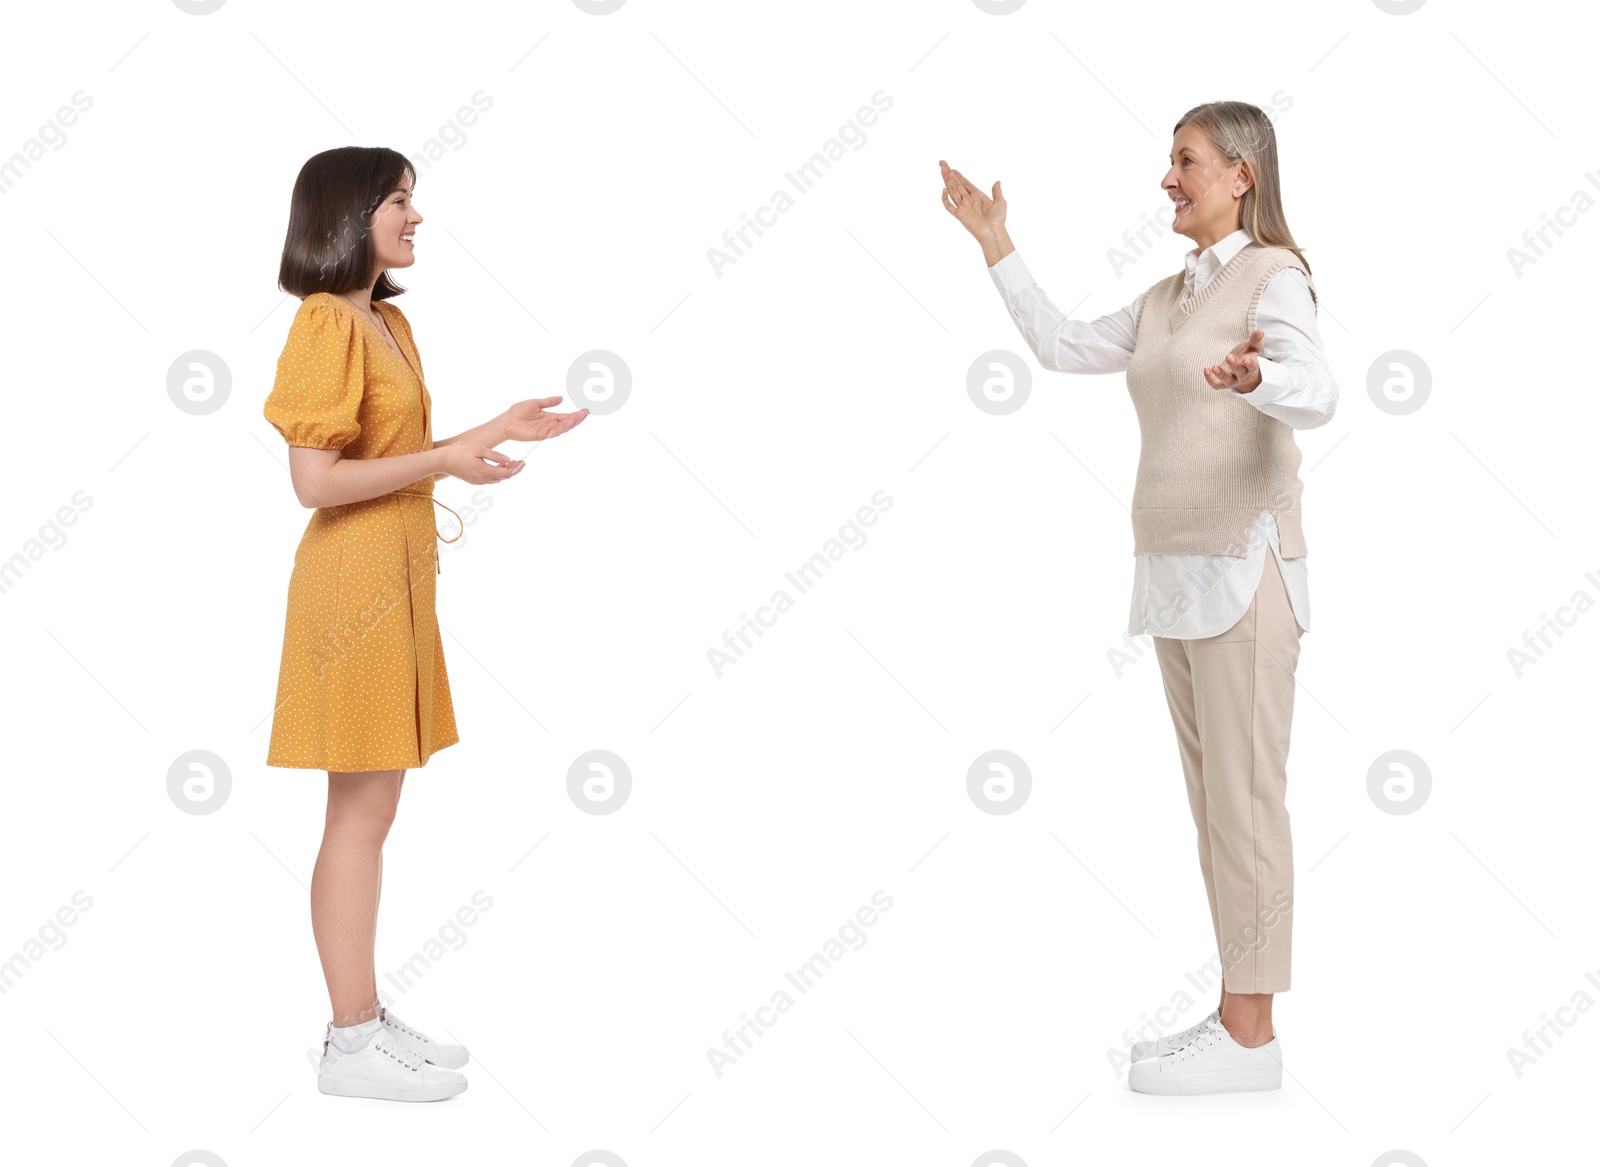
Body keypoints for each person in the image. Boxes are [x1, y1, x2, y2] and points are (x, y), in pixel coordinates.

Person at [940, 99, 1337, 1096]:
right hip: (1175, 576)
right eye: (1169, 161)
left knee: (1246, 805)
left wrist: (1257, 377)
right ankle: (1234, 1018)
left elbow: (1317, 391)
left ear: (1241, 174)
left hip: (1246, 572)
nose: (1167, 179)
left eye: (1186, 162)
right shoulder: (1169, 297)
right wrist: (997, 248)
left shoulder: (1271, 276)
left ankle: (1252, 1040)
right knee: (1213, 810)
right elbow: (1065, 346)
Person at [263, 146, 588, 1102]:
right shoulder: (328, 321)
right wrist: (451, 454)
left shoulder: (386, 320)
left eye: (414, 200)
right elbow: (312, 483)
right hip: (351, 591)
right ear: (346, 212)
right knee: (358, 816)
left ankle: (358, 1017)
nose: (416, 218)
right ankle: (351, 1042)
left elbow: (406, 453)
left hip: (397, 583)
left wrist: (474, 444)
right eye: (400, 201)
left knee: (372, 812)